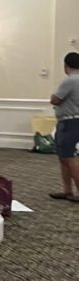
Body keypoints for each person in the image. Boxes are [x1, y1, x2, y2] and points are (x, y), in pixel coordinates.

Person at [48, 51, 79, 202]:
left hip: (69, 122)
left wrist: (53, 98)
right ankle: (67, 191)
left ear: (66, 66)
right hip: (73, 121)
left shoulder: (70, 80)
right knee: (64, 157)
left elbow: (55, 100)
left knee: (68, 158)